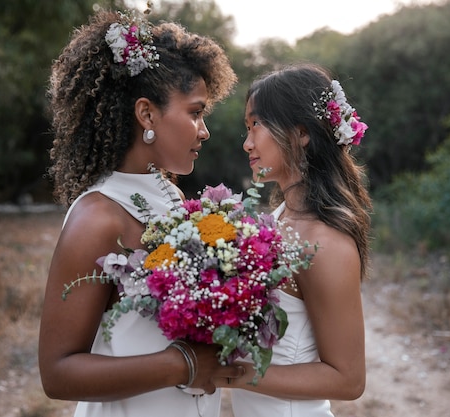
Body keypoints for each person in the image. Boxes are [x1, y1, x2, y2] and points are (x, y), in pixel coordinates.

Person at [38, 7, 241, 417]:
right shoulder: (98, 218)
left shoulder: (170, 196)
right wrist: (182, 365)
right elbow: (57, 373)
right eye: (196, 112)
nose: (204, 130)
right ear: (147, 114)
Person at [223, 63, 372, 417]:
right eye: (247, 128)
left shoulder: (326, 242)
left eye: (255, 125)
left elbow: (348, 380)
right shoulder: (278, 220)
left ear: (301, 132)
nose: (247, 142)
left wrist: (235, 374)